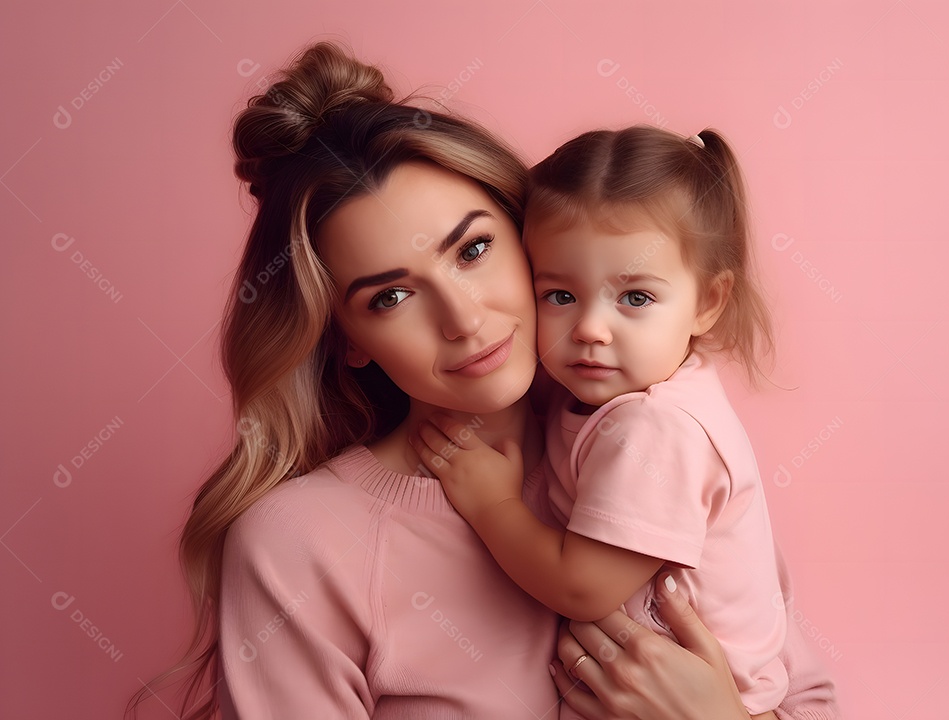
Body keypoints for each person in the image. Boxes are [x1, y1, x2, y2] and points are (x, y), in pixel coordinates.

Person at [127, 41, 838, 720]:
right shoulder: (299, 543)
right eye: (391, 297)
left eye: (473, 249)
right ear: (348, 340)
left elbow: (803, 697)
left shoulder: (645, 441)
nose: (464, 319)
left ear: (527, 234)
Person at [412, 125, 789, 716]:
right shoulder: (600, 396)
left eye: (635, 298)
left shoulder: (659, 427)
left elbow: (581, 587)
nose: (589, 328)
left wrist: (492, 504)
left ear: (708, 303)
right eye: (559, 296)